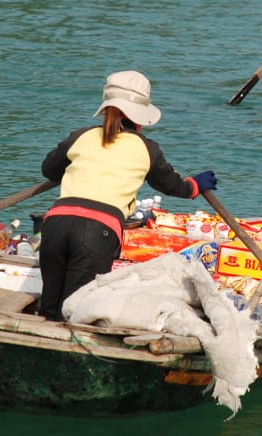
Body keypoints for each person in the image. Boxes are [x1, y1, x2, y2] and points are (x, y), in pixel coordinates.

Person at [37, 70, 218, 321]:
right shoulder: (147, 148)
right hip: (97, 232)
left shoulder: (80, 136)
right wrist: (195, 185)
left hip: (55, 225)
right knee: (75, 313)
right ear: (140, 119)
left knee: (48, 311)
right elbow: (173, 186)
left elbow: (49, 169)